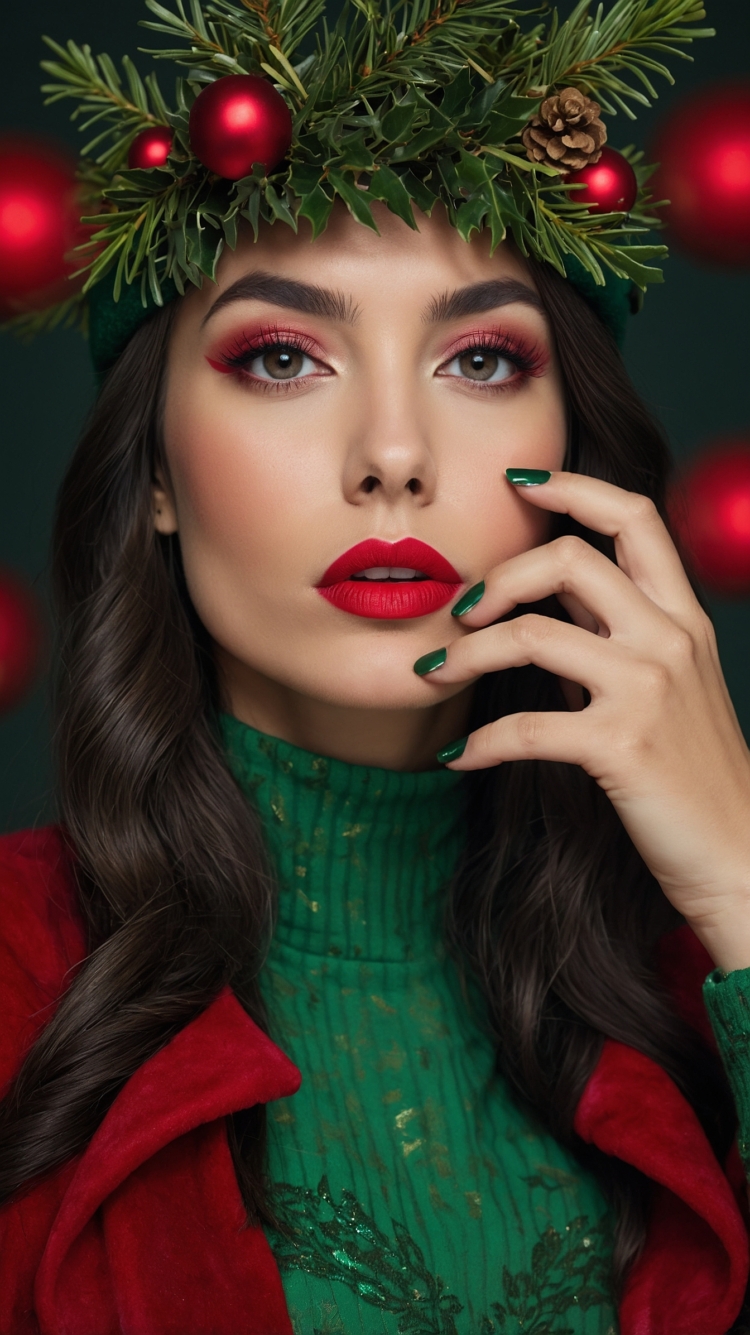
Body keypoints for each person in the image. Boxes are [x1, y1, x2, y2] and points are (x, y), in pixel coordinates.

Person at [2, 1, 750, 1332]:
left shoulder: (701, 982)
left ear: (571, 453)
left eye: (480, 358)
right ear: (159, 473)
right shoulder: (14, 969)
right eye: (281, 357)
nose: (392, 453)